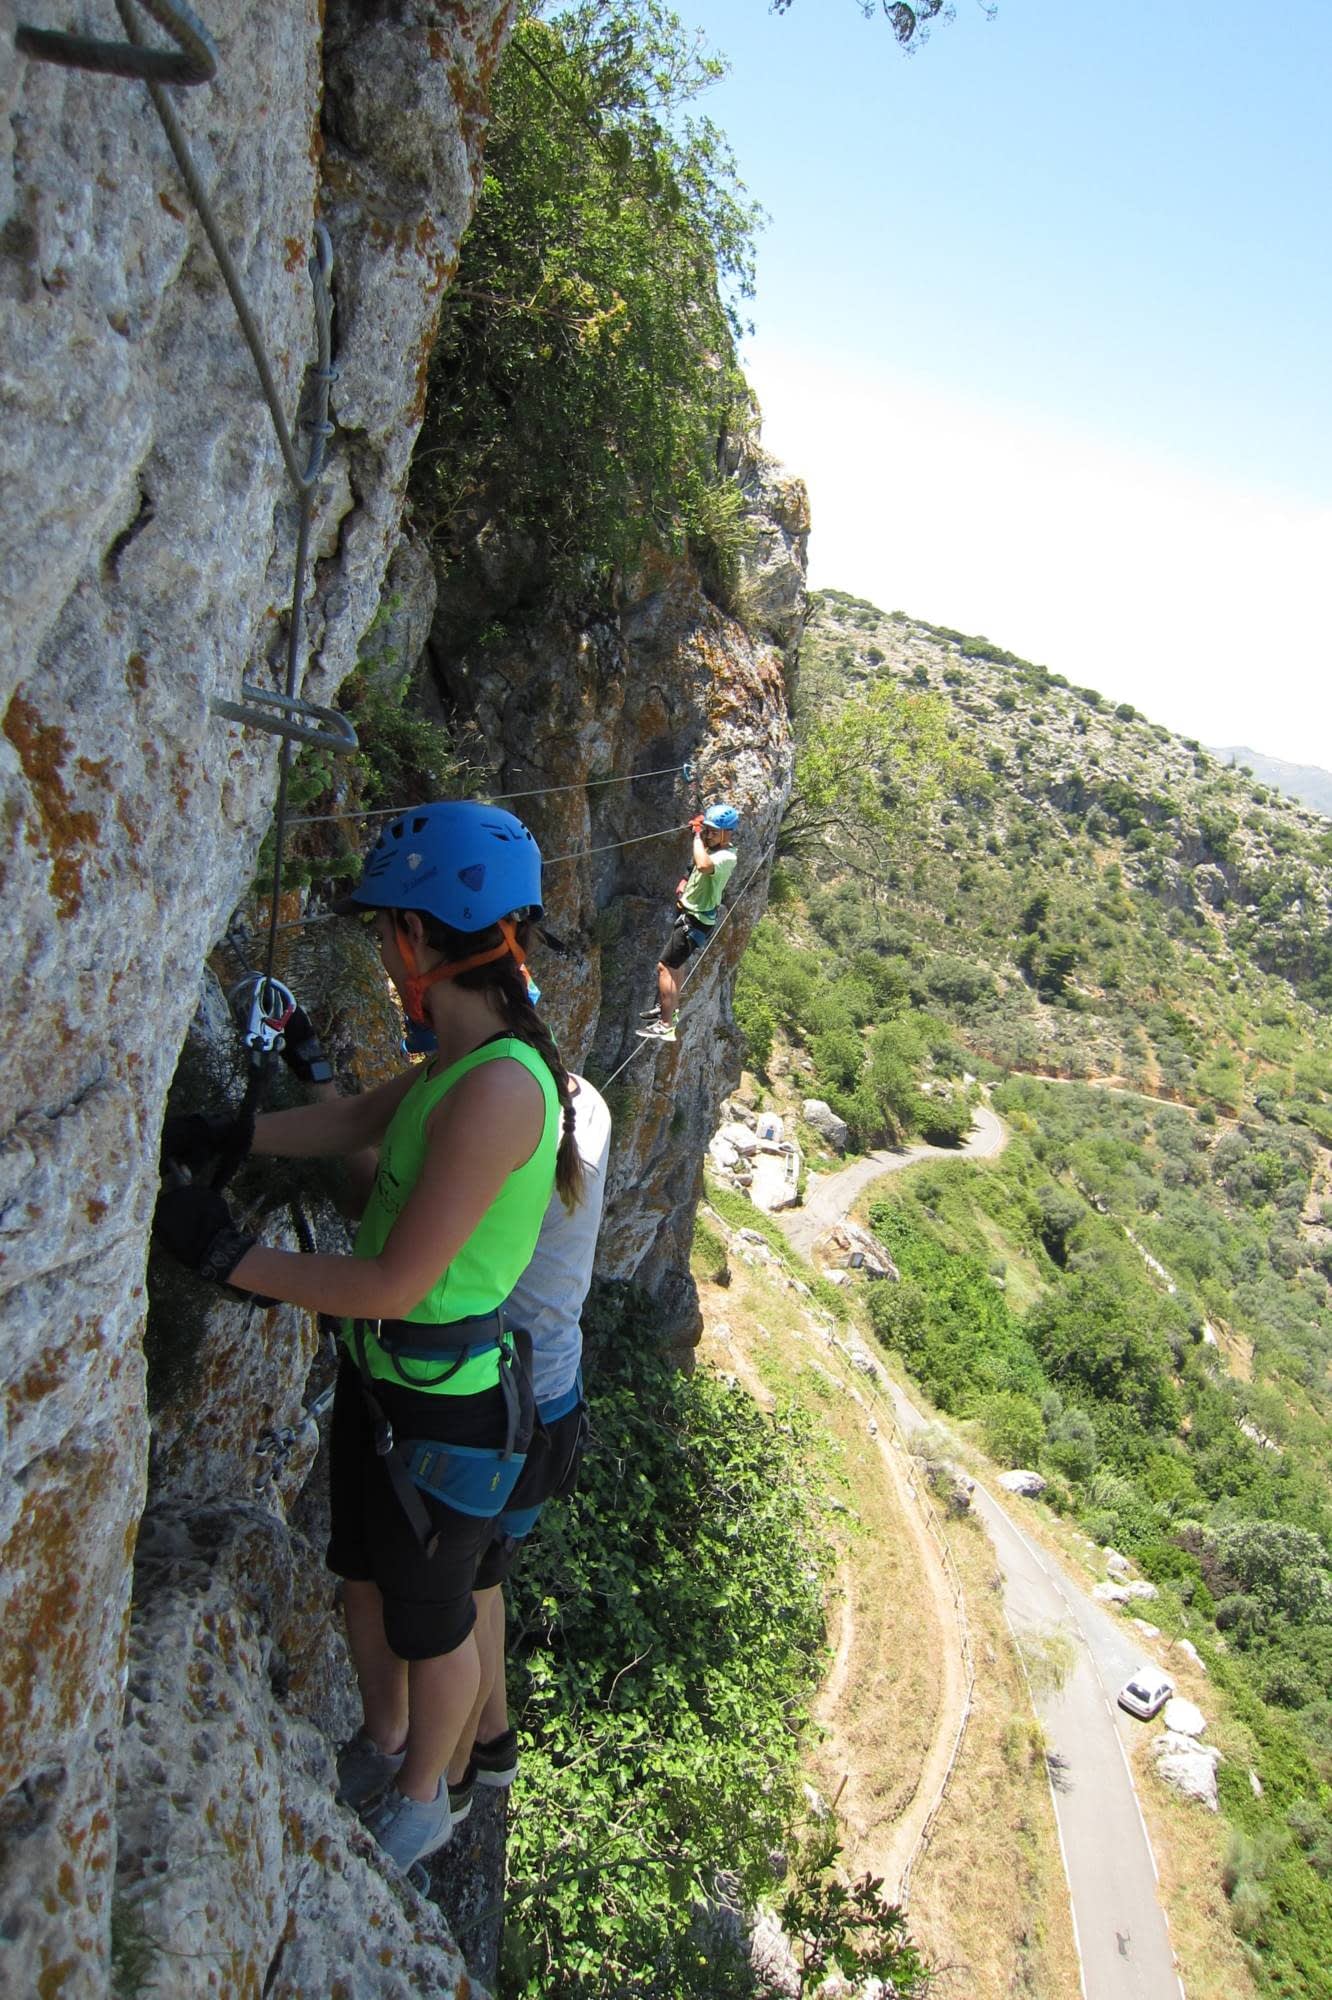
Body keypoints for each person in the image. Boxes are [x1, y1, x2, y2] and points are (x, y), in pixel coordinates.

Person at [153, 801, 584, 1873]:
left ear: (418, 936)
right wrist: (240, 1131)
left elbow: (396, 1277)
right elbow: (353, 1122)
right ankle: (384, 1741)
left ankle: (422, 1797)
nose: (386, 959)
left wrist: (228, 1257)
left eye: (387, 931)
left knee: (431, 1619)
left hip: (449, 1408)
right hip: (390, 1383)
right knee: (362, 1577)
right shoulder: (460, 1058)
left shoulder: (499, 1089)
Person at [442, 1072, 611, 1821]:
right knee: (485, 1582)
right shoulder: (591, 1107)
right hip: (557, 1403)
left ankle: (446, 1781)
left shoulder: (519, 1134)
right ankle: (496, 1737)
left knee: (455, 1602)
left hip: (507, 1409)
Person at [637, 802, 740, 1043]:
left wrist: (696, 835)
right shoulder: (713, 848)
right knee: (676, 967)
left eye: (714, 831)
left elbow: (703, 864)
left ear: (727, 833)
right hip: (690, 917)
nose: (709, 834)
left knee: (665, 967)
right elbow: (695, 865)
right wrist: (685, 879)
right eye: (708, 830)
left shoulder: (725, 857)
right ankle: (668, 1009)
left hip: (694, 921)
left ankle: (665, 1024)